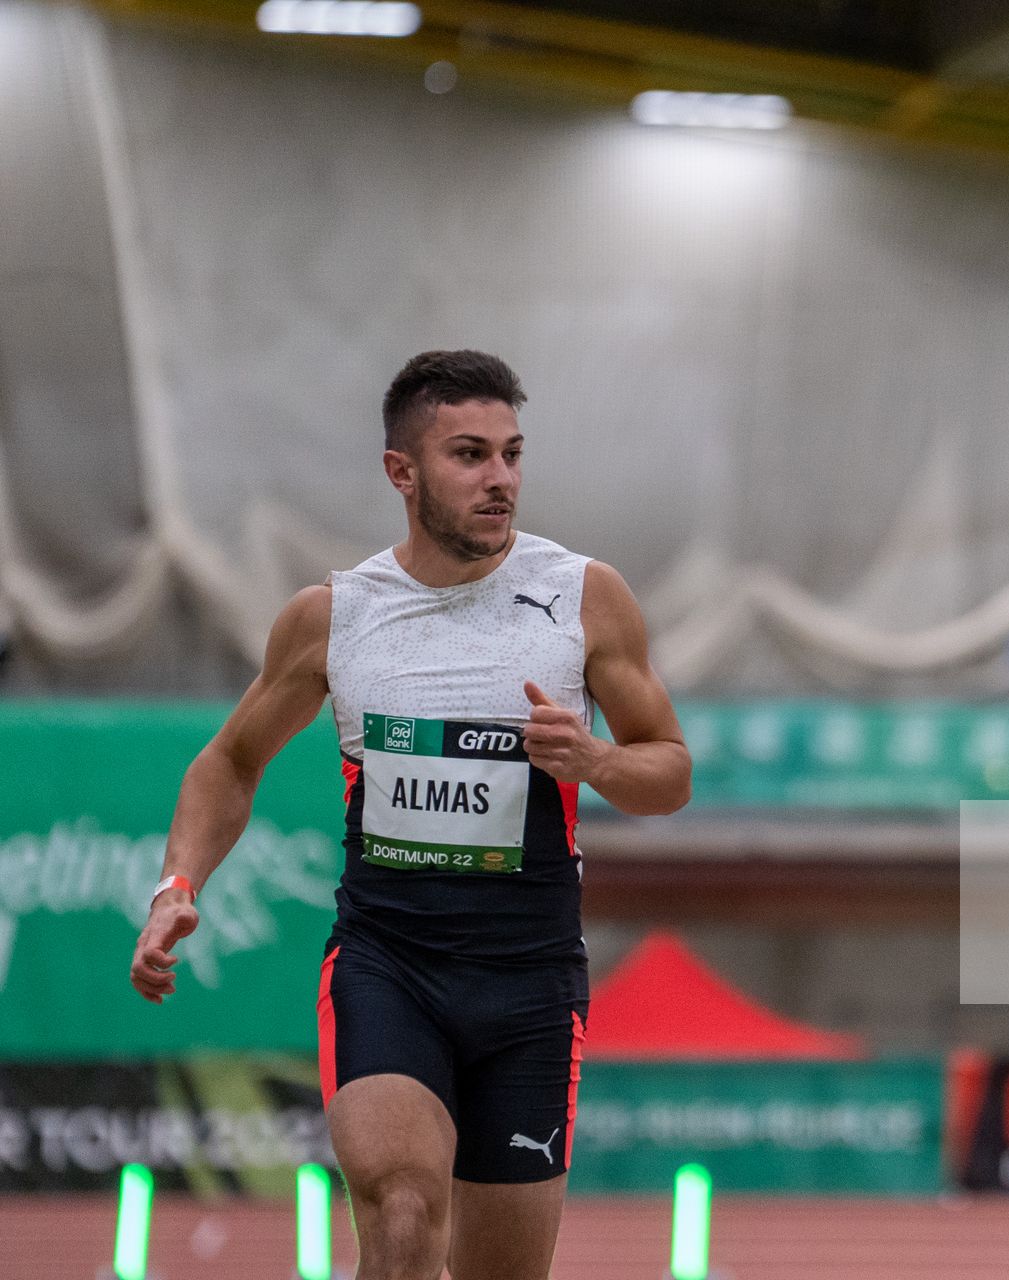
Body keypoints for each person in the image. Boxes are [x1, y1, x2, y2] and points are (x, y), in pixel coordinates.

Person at [128, 350, 692, 1280]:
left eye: (512, 453)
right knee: (399, 1219)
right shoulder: (335, 616)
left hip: (530, 984)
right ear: (402, 472)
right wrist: (177, 884)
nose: (500, 478)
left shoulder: (584, 597)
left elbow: (668, 772)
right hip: (391, 966)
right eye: (470, 455)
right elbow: (228, 761)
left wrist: (593, 760)